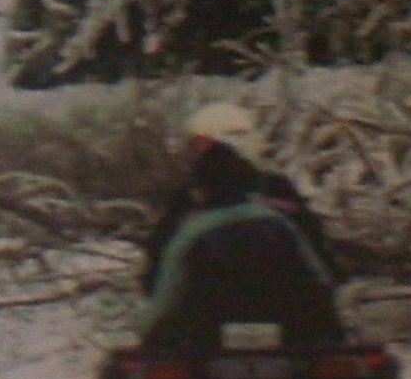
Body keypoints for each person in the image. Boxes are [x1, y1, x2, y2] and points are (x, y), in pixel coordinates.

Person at [137, 102, 345, 353]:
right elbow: (320, 266)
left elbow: (161, 269)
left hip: (201, 331)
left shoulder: (191, 203)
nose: (196, 151)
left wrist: (153, 328)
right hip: (291, 325)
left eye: (202, 143)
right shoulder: (280, 198)